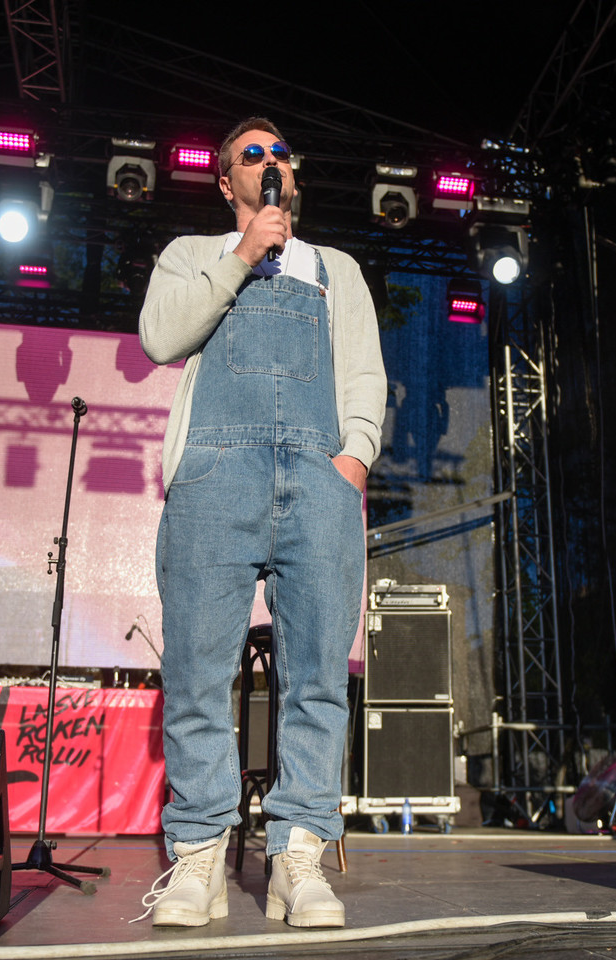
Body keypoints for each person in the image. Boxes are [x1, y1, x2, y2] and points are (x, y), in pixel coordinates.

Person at [134, 117, 386, 927]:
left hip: (318, 481)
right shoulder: (191, 253)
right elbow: (160, 338)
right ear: (226, 181)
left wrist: (353, 460)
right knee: (198, 674)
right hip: (214, 478)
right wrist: (243, 254)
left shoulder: (336, 268)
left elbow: (365, 372)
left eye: (281, 153)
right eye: (253, 154)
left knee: (316, 680)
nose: (271, 162)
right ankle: (200, 857)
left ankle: (296, 859)